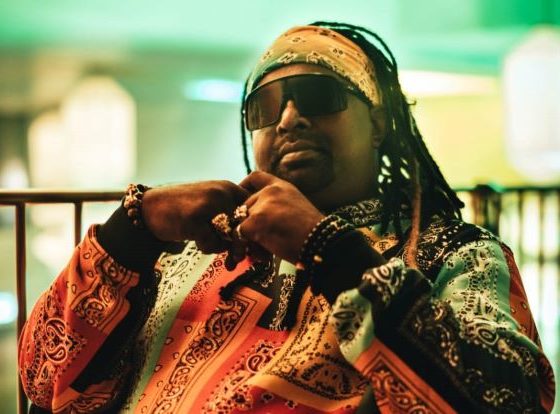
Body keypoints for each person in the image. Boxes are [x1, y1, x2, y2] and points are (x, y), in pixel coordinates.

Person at [19, 22, 555, 413]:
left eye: (318, 96)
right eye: (266, 106)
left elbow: (511, 400)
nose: (290, 118)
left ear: (378, 123)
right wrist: (131, 232)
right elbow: (44, 380)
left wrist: (329, 249)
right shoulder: (185, 255)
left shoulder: (452, 254)